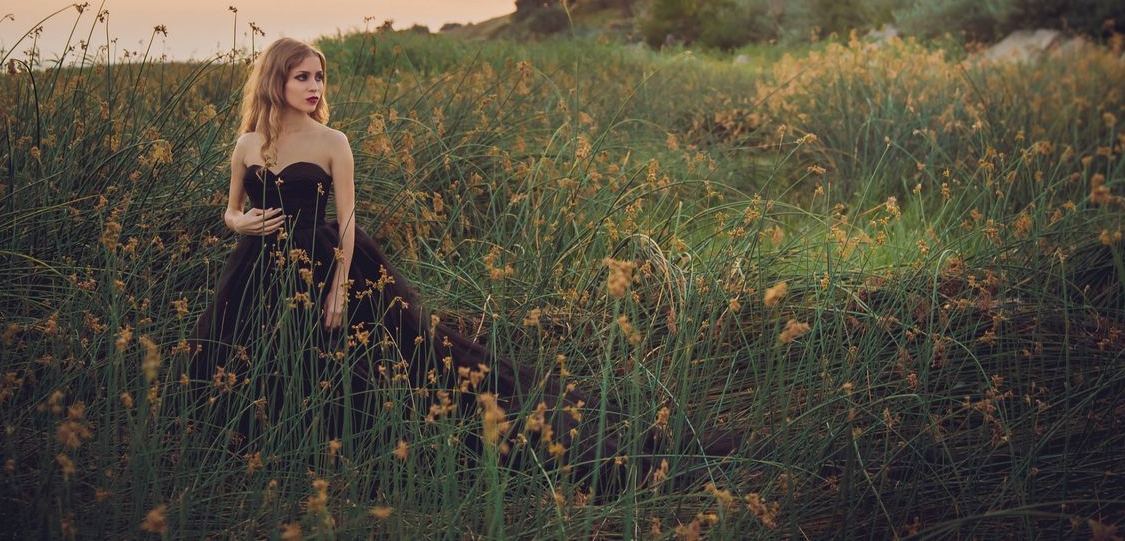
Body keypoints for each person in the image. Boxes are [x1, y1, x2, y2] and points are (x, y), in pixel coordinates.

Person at [183, 37, 732, 490]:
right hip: (258, 267)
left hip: (326, 261)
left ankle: (359, 449)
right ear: (275, 79)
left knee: (374, 362)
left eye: (319, 77)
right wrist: (241, 223)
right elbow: (231, 209)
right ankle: (274, 447)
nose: (314, 87)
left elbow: (347, 221)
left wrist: (339, 287)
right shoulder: (248, 144)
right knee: (252, 356)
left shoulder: (334, 142)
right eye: (302, 77)